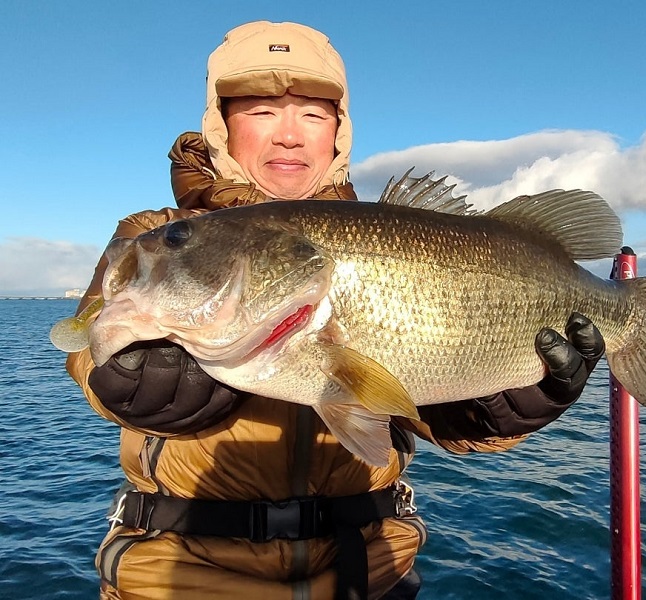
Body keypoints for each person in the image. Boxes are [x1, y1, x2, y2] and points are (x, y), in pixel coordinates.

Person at [66, 20, 605, 600]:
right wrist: (121, 380)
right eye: (261, 111)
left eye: (313, 114)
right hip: (179, 572)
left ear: (339, 131)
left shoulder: (388, 228)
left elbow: (424, 412)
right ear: (221, 125)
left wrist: (499, 410)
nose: (289, 136)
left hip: (366, 571)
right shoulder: (156, 234)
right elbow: (86, 344)